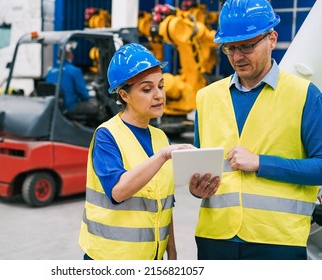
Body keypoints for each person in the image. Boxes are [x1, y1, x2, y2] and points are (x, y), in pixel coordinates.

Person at [192, 0, 322, 260]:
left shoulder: (305, 95)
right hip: (215, 238)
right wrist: (197, 188)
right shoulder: (206, 98)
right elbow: (198, 167)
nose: (238, 57)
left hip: (278, 240)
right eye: (230, 48)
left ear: (272, 39)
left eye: (247, 46)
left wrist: (260, 163)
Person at [78, 43, 220, 260]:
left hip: (152, 257)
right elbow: (118, 191)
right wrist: (162, 156)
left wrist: (171, 251)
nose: (158, 95)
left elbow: (165, 203)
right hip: (111, 257)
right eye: (147, 89)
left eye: (161, 86)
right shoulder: (107, 135)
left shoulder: (160, 137)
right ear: (124, 95)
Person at [45, 42, 99, 116]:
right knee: (96, 106)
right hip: (70, 107)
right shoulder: (75, 71)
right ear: (71, 56)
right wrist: (89, 97)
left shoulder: (50, 71)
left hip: (53, 106)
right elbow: (83, 93)